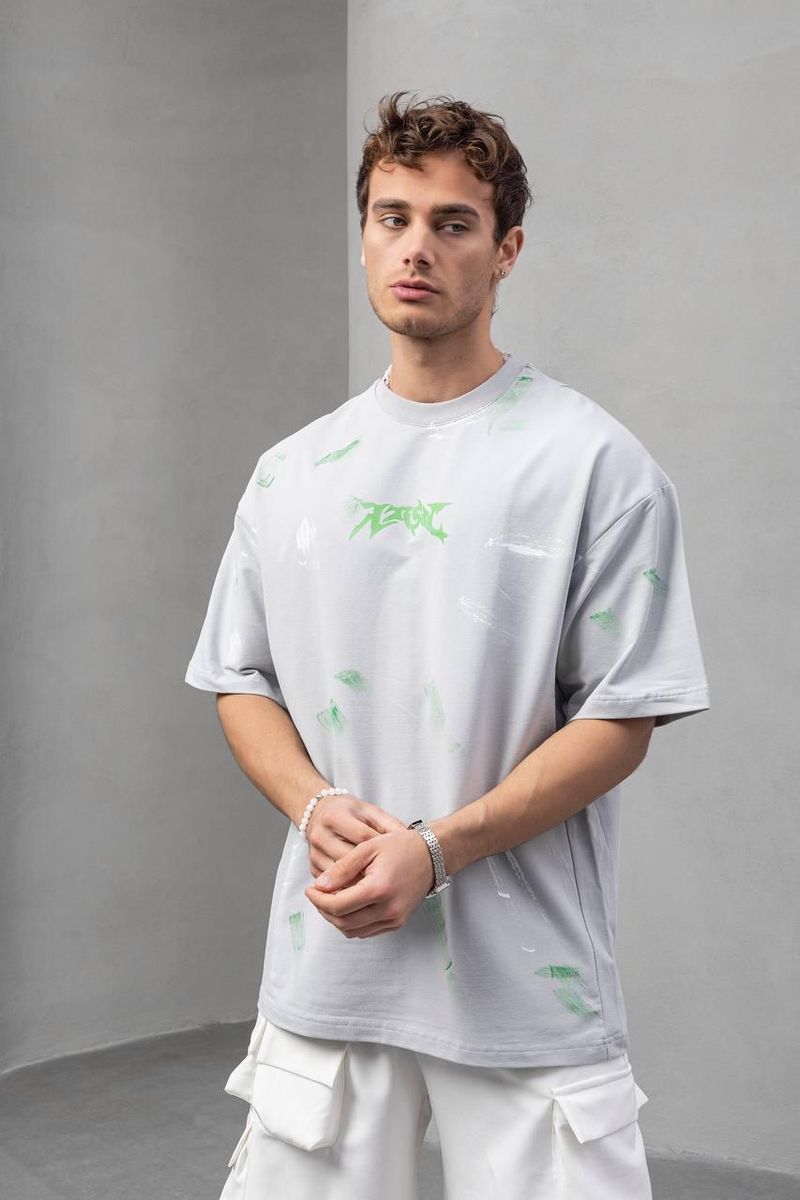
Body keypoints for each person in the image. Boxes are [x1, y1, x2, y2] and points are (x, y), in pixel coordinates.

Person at [185, 90, 710, 1200]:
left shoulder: (594, 465)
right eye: (392, 218)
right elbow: (239, 678)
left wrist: (438, 850)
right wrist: (314, 810)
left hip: (526, 983)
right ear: (363, 236)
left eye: (452, 222)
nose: (415, 248)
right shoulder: (291, 473)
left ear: (505, 249)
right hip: (331, 965)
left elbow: (624, 716)